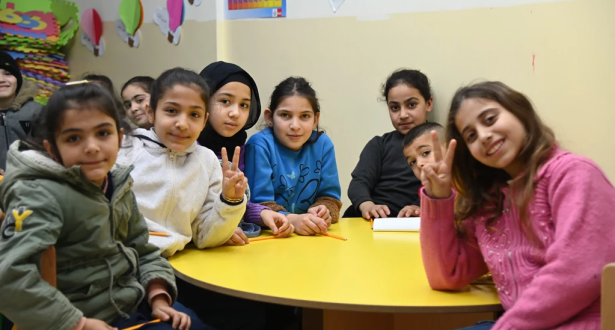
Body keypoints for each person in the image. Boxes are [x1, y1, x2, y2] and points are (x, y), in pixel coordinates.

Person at [0, 82, 210, 330]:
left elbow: (142, 248)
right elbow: (10, 279)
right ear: (52, 149)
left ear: (120, 138)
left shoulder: (117, 182)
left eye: (103, 133)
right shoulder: (40, 195)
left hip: (134, 303)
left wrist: (159, 296)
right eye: (74, 137)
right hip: (83, 318)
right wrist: (79, 323)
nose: (92, 147)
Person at [419, 81, 615, 330]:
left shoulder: (574, 174)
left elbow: (578, 272)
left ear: (519, 111)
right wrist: (438, 197)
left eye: (489, 119)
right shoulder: (490, 201)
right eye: (471, 135)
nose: (484, 135)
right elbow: (447, 274)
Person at [117, 67, 247, 257]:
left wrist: (230, 200)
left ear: (204, 121)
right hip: (124, 259)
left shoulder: (207, 161)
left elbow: (205, 236)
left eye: (194, 115)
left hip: (180, 265)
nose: (182, 124)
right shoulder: (126, 148)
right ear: (151, 112)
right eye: (171, 111)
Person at [245, 77, 342, 236]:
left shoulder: (323, 145)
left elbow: (330, 199)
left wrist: (323, 212)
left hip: (311, 239)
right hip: (270, 238)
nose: (295, 126)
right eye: (285, 115)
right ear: (269, 117)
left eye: (304, 116)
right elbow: (259, 206)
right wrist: (292, 220)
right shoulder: (259, 145)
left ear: (315, 119)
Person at [345, 69, 432, 220]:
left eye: (411, 105)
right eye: (395, 108)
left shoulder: (438, 142)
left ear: (428, 104)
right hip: (370, 221)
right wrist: (367, 205)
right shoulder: (379, 144)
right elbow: (359, 182)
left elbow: (441, 185)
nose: (403, 115)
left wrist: (419, 206)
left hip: (409, 221)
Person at [0, 50, 42, 172]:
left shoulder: (36, 111)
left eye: (7, 73)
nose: (1, 79)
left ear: (17, 79)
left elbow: (48, 150)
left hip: (29, 181)